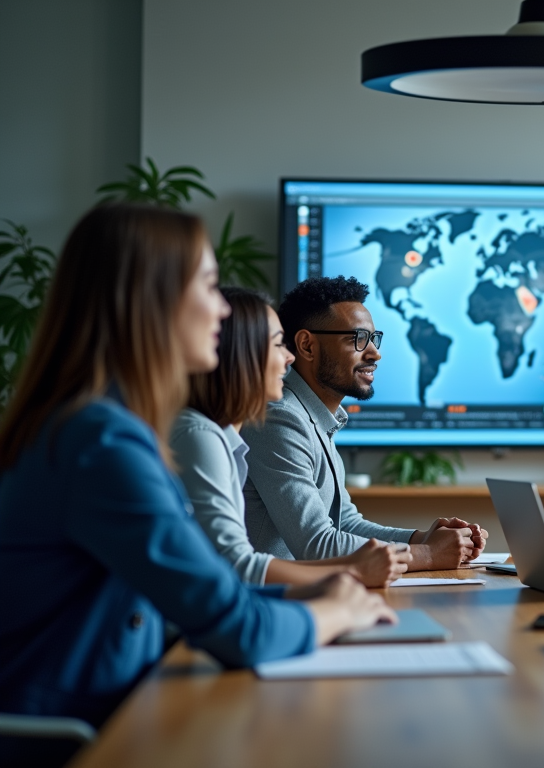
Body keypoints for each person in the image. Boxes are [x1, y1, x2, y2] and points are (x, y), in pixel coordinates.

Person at [0, 206, 395, 751]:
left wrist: (316, 596)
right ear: (151, 300)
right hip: (86, 738)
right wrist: (336, 611)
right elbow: (235, 629)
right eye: (208, 286)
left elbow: (207, 591)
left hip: (123, 710)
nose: (221, 310)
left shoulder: (103, 424)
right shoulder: (102, 443)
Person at [171, 287, 412, 588]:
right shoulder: (210, 434)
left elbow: (344, 522)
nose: (288, 358)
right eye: (277, 345)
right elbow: (238, 566)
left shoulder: (224, 438)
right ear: (240, 353)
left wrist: (421, 540)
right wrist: (407, 558)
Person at [242, 276, 488, 570]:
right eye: (357, 339)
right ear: (307, 346)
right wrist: (428, 555)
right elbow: (317, 544)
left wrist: (421, 539)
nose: (374, 353)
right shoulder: (280, 419)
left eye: (374, 338)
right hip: (273, 602)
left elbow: (345, 523)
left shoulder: (317, 418)